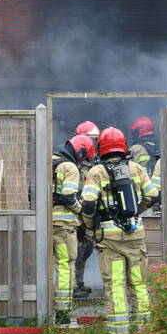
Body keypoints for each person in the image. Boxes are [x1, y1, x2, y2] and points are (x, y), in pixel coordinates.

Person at [81, 127, 160, 334]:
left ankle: (119, 333)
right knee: (138, 282)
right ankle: (145, 331)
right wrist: (137, 212)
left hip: (110, 238)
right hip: (135, 235)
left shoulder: (97, 172)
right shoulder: (136, 168)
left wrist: (90, 225)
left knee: (115, 283)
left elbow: (88, 202)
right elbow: (153, 196)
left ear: (102, 148)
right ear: (124, 146)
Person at [51, 134, 94, 324]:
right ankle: (62, 311)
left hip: (44, 225)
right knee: (65, 265)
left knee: (46, 266)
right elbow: (68, 196)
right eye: (84, 158)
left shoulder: (48, 162)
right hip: (63, 228)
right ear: (81, 151)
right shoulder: (71, 168)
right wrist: (82, 214)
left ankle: (44, 308)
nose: (83, 161)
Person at [73, 120, 101, 297]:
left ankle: (80, 282)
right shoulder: (72, 164)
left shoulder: (94, 163)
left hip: (90, 215)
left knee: (87, 250)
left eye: (95, 140)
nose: (94, 144)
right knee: (75, 252)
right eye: (91, 139)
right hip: (75, 215)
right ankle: (74, 285)